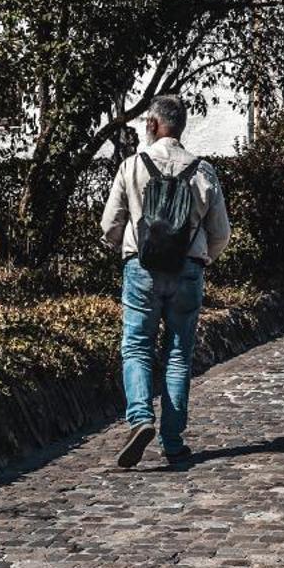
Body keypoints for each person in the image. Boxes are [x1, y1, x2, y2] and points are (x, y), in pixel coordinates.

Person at [99, 94, 231, 467]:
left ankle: (140, 418)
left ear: (154, 125)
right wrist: (203, 258)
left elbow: (110, 225)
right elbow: (220, 232)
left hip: (142, 268)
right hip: (188, 270)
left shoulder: (132, 166)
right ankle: (172, 441)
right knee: (178, 354)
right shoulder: (203, 171)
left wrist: (124, 249)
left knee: (137, 346)